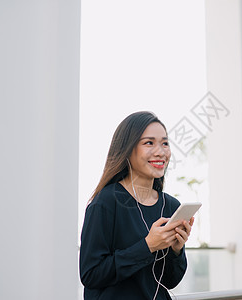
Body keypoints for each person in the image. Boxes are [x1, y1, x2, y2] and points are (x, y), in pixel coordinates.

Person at [80, 111, 194, 300]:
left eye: (165, 143)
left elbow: (169, 282)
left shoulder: (171, 205)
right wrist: (148, 246)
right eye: (149, 143)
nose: (160, 151)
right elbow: (91, 274)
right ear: (127, 149)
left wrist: (176, 250)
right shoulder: (106, 202)